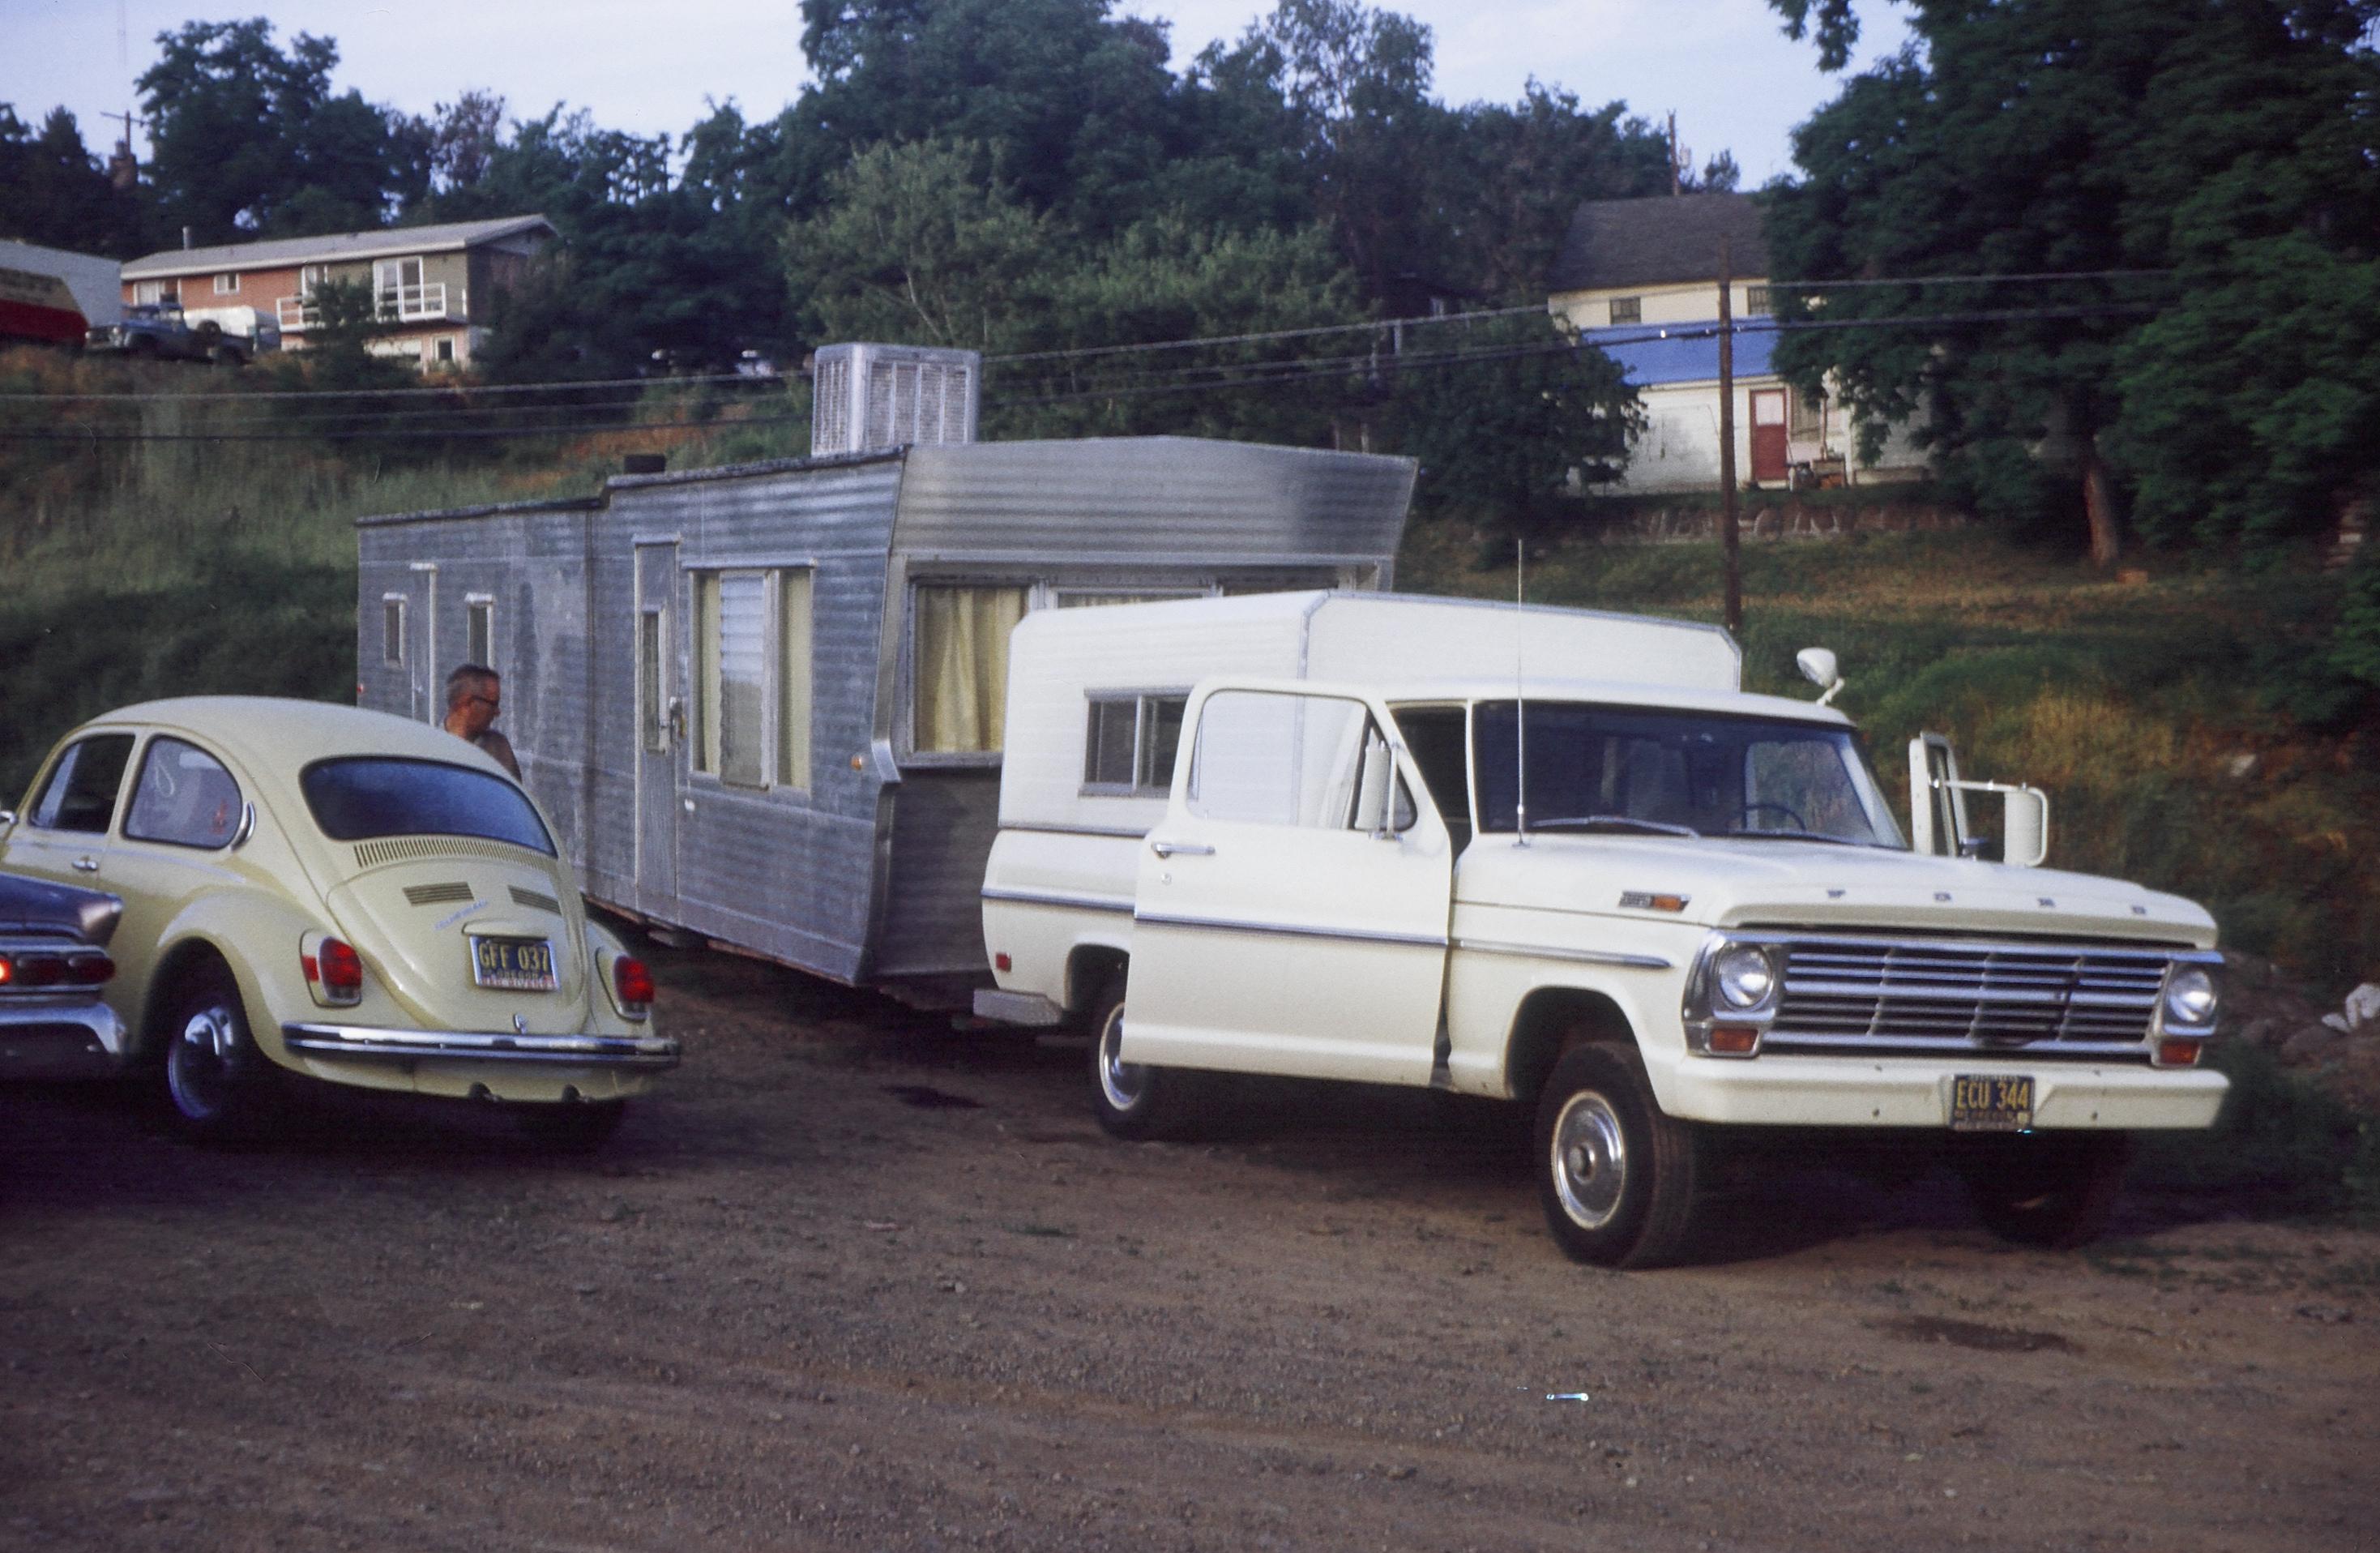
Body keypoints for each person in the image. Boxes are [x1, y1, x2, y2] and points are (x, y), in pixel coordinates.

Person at [442, 663, 522, 779]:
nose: (498, 712)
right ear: (466, 703)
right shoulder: (429, 746)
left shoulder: (499, 747)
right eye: (493, 704)